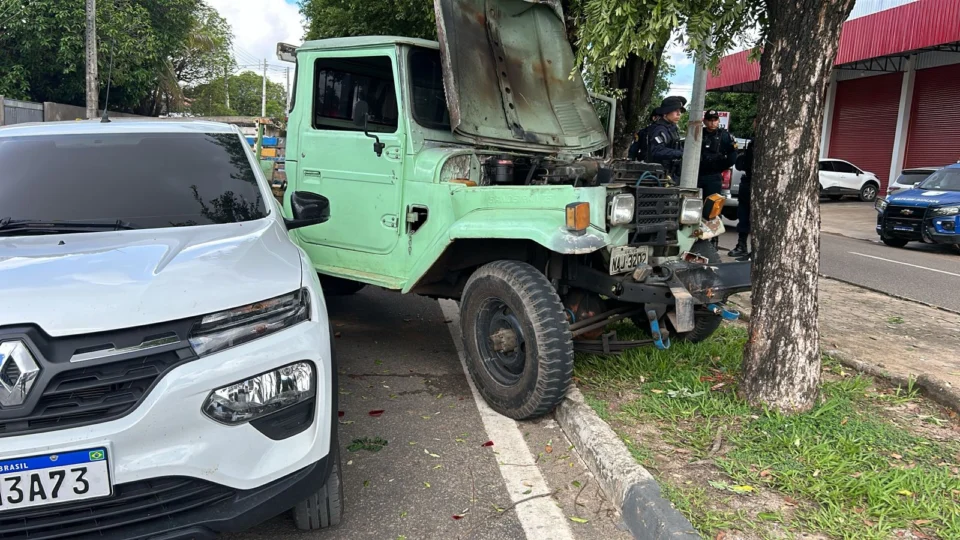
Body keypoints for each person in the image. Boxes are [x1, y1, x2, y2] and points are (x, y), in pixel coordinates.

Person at [729, 120, 756, 258]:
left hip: (759, 182)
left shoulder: (767, 140)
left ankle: (755, 249)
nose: (755, 123)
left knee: (756, 217)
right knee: (743, 214)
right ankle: (741, 245)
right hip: (747, 180)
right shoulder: (752, 141)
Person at [697, 110, 738, 200]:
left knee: (712, 204)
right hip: (696, 174)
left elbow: (732, 156)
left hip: (713, 175)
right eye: (710, 120)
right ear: (704, 121)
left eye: (715, 120)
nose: (712, 122)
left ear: (718, 121)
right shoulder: (698, 133)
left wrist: (720, 166)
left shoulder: (725, 136)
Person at [646, 96, 688, 181]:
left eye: (680, 111)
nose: (679, 114)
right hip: (658, 175)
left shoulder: (672, 128)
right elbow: (657, 151)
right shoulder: (659, 129)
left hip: (671, 174)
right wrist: (681, 153)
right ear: (665, 112)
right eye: (676, 111)